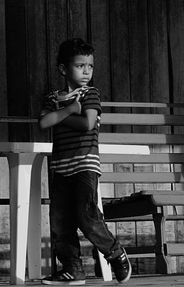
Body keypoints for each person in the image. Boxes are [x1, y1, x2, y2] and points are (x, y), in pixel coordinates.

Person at [39, 38, 132, 285]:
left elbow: (88, 123)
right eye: (80, 66)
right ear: (63, 69)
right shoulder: (54, 97)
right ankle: (73, 270)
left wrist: (58, 116)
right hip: (60, 167)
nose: (87, 71)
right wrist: (68, 110)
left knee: (86, 214)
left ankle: (115, 252)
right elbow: (43, 122)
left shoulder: (90, 93)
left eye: (90, 66)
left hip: (85, 163)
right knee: (60, 222)